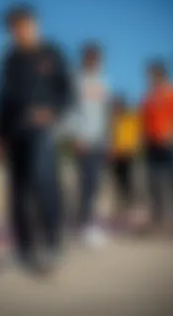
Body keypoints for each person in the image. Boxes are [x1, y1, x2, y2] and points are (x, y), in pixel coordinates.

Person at [0, 4, 72, 274]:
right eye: (12, 26)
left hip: (41, 131)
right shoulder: (8, 59)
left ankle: (52, 245)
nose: (18, 30)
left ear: (35, 24)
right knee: (17, 192)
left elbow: (67, 91)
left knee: (43, 183)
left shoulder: (53, 53)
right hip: (14, 132)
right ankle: (24, 251)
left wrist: (52, 111)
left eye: (22, 24)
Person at [141, 61, 173, 234]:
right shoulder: (148, 97)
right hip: (152, 147)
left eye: (152, 75)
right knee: (154, 185)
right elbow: (144, 122)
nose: (149, 78)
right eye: (148, 75)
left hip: (172, 145)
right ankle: (158, 221)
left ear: (161, 74)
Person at [72, 43, 111, 247]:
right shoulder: (76, 79)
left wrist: (108, 140)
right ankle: (85, 226)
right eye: (91, 57)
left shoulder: (102, 81)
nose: (95, 61)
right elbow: (70, 110)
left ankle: (87, 224)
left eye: (97, 57)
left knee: (95, 184)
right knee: (86, 184)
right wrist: (77, 135)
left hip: (100, 141)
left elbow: (105, 113)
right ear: (84, 58)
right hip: (83, 140)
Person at [109, 95, 141, 222]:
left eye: (119, 105)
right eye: (115, 105)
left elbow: (136, 135)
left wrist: (134, 149)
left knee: (129, 182)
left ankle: (130, 208)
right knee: (118, 183)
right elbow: (112, 138)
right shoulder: (113, 120)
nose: (117, 107)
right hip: (116, 156)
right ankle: (121, 209)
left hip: (128, 155)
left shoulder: (130, 118)